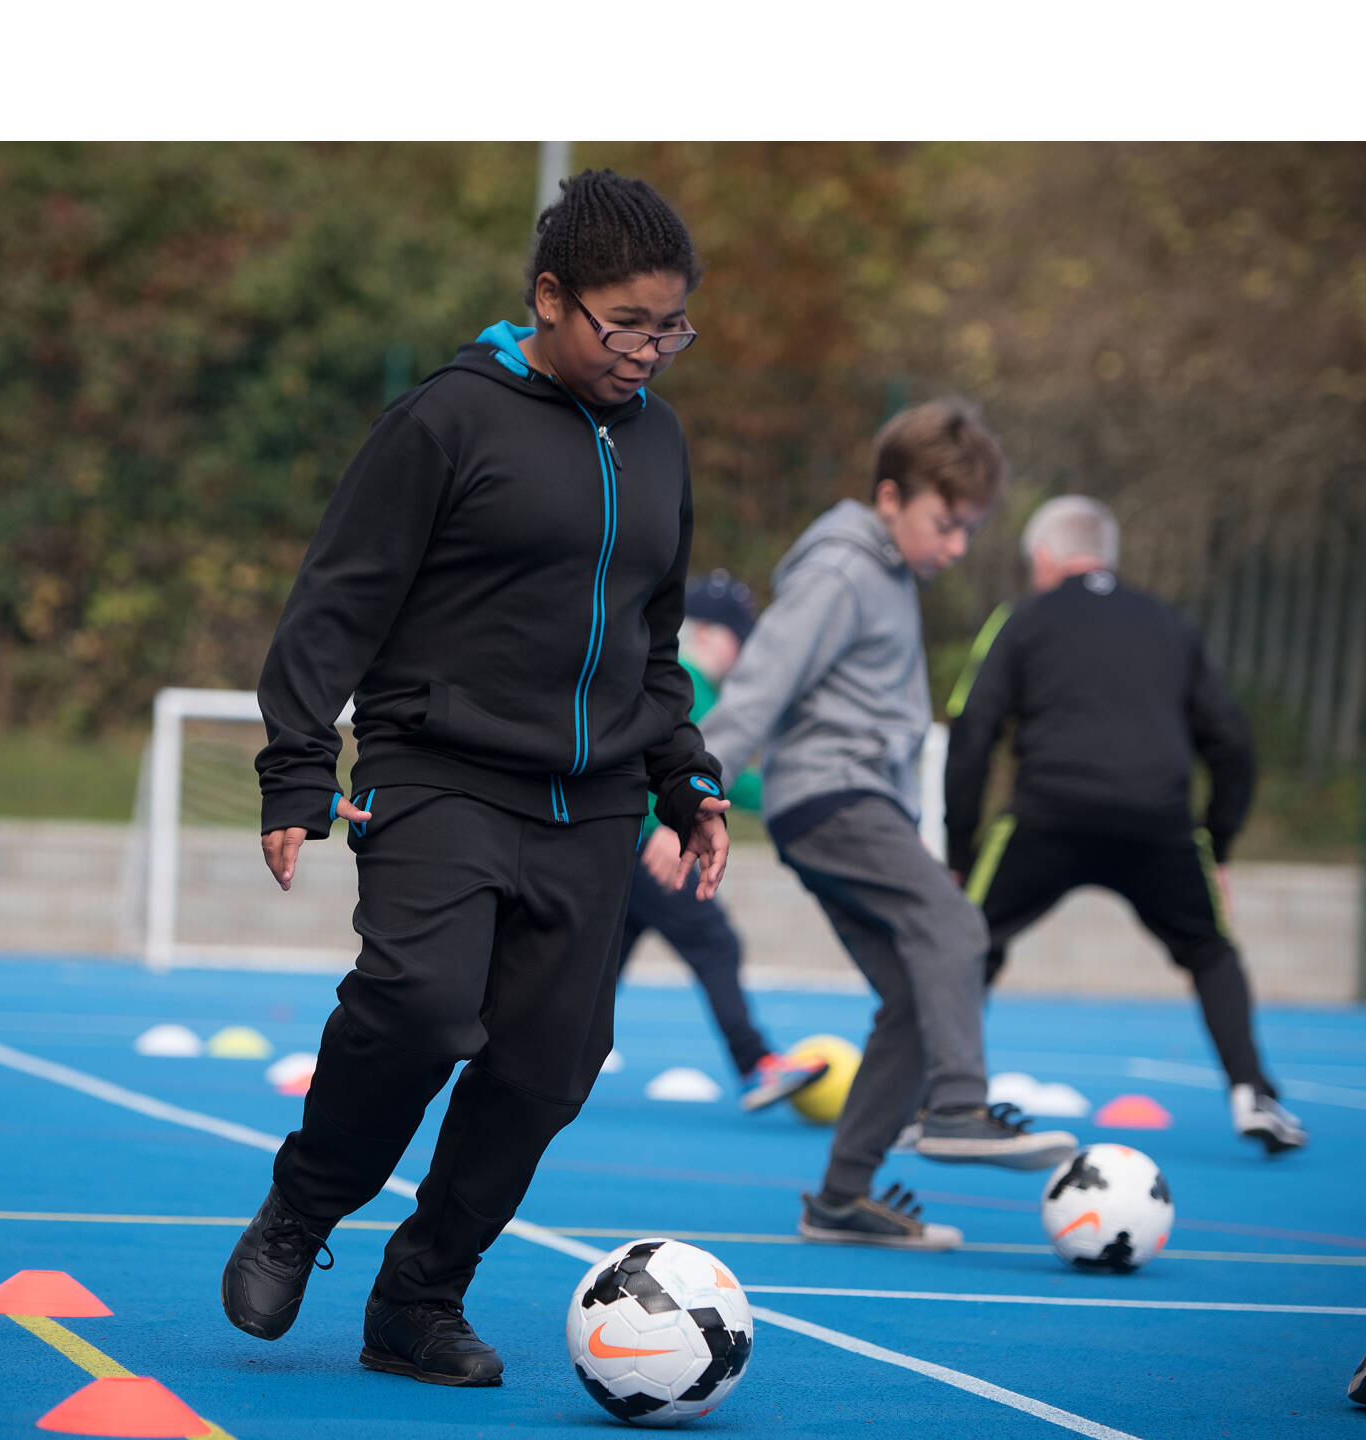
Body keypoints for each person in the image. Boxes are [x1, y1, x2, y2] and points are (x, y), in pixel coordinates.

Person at [220, 170, 730, 1388]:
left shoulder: (660, 441)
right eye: (627, 325)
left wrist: (685, 777)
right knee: (422, 1004)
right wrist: (297, 767)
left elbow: (650, 639)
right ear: (551, 298)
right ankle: (301, 1210)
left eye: (672, 329)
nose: (650, 354)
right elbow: (335, 604)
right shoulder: (445, 420)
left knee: (551, 1062)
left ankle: (420, 1296)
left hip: (594, 799)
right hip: (437, 771)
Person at [700, 399, 1078, 1253]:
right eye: (945, 524)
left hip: (852, 805)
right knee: (956, 930)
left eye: (970, 530)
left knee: (915, 988)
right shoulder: (841, 571)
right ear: (889, 496)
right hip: (832, 798)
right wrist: (691, 793)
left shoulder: (890, 573)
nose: (955, 546)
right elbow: (760, 684)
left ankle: (840, 1197)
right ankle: (955, 1108)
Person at [943, 494, 1306, 1155]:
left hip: (1047, 815)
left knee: (968, 941)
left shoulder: (1022, 619)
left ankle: (941, 1094)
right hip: (1158, 823)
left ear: (1045, 558)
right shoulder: (1171, 624)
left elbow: (972, 731)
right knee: (1209, 950)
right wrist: (1216, 844)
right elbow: (1232, 743)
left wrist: (958, 850)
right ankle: (1255, 1093)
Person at [619, 569, 828, 1110]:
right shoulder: (688, 682)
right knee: (715, 942)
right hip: (655, 845)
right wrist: (799, 789)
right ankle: (755, 1062)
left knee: (600, 968)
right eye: (741, 639)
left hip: (627, 842)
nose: (745, 656)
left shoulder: (664, 677)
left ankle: (523, 1047)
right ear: (708, 633)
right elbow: (711, 774)